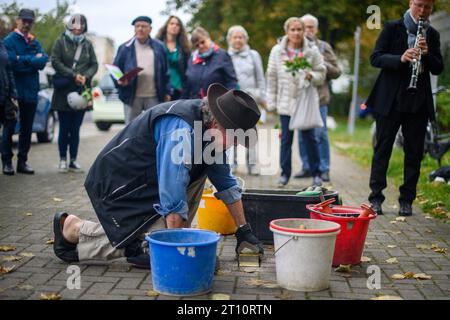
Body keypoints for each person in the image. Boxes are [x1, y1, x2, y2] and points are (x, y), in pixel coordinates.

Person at [52, 83, 265, 268]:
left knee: (200, 175)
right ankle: (75, 231)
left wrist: (243, 230)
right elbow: (173, 195)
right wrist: (180, 252)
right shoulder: (180, 129)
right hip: (118, 184)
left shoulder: (211, 134)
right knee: (148, 247)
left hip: (147, 181)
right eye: (235, 138)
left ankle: (148, 239)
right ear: (217, 124)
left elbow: (226, 183)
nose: (236, 143)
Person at [366, 0, 443, 216]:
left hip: (417, 101)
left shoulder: (433, 34)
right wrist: (400, 57)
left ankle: (407, 200)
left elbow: (438, 68)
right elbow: (376, 57)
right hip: (390, 99)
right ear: (411, 3)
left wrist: (426, 55)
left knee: (414, 153)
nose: (422, 11)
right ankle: (375, 198)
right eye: (419, 5)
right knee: (382, 149)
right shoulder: (392, 27)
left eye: (427, 7)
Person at [266, 17, 326, 187]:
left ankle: (316, 174)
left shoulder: (312, 51)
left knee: (310, 139)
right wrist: (271, 101)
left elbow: (321, 73)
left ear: (304, 31)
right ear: (287, 32)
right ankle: (285, 174)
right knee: (286, 139)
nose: (296, 33)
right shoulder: (277, 51)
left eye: (299, 29)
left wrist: (311, 76)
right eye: (292, 29)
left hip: (305, 101)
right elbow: (271, 77)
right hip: (285, 102)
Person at [294, 14, 342, 183]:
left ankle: (324, 169)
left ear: (316, 29)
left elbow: (337, 71)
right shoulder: (294, 47)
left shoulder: (323, 47)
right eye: (304, 27)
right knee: (302, 135)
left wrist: (323, 63)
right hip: (299, 98)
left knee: (320, 135)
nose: (307, 30)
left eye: (311, 27)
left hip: (319, 98)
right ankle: (307, 167)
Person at [51, 14, 98, 173]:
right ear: (70, 25)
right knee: (64, 128)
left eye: (81, 24)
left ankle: (74, 160)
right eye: (75, 24)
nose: (78, 27)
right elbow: (55, 61)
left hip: (81, 91)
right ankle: (62, 159)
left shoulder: (88, 44)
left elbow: (94, 64)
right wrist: (73, 74)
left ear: (85, 26)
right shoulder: (60, 41)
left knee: (76, 129)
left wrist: (86, 76)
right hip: (63, 92)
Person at [3, 9, 48, 175]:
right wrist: (32, 59)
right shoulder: (9, 41)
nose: (27, 24)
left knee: (27, 129)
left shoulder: (34, 41)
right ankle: (7, 162)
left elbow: (43, 60)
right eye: (24, 21)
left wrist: (22, 59)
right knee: (9, 128)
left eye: (30, 21)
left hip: (31, 91)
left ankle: (22, 162)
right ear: (18, 21)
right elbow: (12, 65)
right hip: (14, 92)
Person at [113, 16, 171, 125]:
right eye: (137, 26)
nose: (140, 29)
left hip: (154, 96)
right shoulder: (125, 48)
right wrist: (119, 81)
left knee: (155, 126)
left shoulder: (160, 47)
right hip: (132, 97)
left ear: (150, 29)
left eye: (143, 26)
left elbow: (166, 71)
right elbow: (115, 69)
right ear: (134, 29)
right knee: (131, 129)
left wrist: (168, 91)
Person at [227, 25, 267, 176]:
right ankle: (232, 163)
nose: (238, 40)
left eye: (241, 37)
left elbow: (260, 77)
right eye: (235, 37)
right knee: (231, 132)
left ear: (246, 39)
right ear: (229, 39)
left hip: (250, 98)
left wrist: (262, 97)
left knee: (250, 132)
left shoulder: (253, 55)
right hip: (231, 99)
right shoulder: (225, 55)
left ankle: (252, 165)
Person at [181, 27, 238, 99]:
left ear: (208, 38)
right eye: (197, 45)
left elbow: (231, 81)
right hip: (195, 103)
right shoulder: (192, 60)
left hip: (218, 102)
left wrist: (230, 100)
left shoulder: (222, 55)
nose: (201, 46)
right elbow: (187, 85)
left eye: (202, 42)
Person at [156, 16, 191, 100]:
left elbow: (188, 69)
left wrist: (185, 87)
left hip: (179, 88)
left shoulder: (184, 47)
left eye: (177, 24)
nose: (174, 26)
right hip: (160, 87)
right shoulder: (157, 45)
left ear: (180, 28)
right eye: (172, 23)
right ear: (166, 26)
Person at [0, 39, 19, 175]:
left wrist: (13, 92)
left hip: (5, 95)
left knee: (9, 127)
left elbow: (8, 69)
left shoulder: (1, 44)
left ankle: (7, 162)